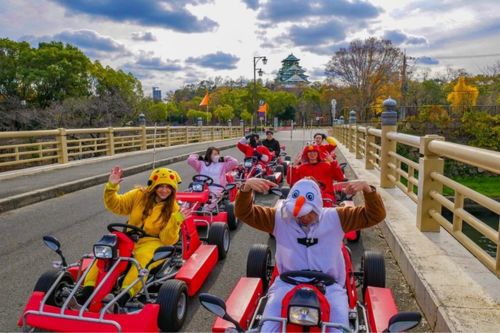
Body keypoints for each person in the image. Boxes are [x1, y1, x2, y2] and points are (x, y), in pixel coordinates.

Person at [235, 177, 386, 332]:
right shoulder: (279, 218)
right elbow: (243, 213)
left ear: (317, 206)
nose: (303, 218)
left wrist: (368, 190)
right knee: (267, 327)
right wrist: (246, 189)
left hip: (330, 288)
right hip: (286, 285)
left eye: (307, 213)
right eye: (299, 213)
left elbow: (375, 215)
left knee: (339, 329)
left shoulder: (336, 217)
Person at [78, 166, 185, 307]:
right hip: (129, 237)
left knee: (141, 257)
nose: (164, 190)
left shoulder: (175, 209)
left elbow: (168, 239)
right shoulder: (138, 195)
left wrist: (175, 220)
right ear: (153, 185)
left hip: (154, 241)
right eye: (160, 186)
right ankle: (86, 292)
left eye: (168, 187)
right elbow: (116, 205)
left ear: (173, 189)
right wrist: (111, 186)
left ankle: (123, 297)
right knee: (105, 254)